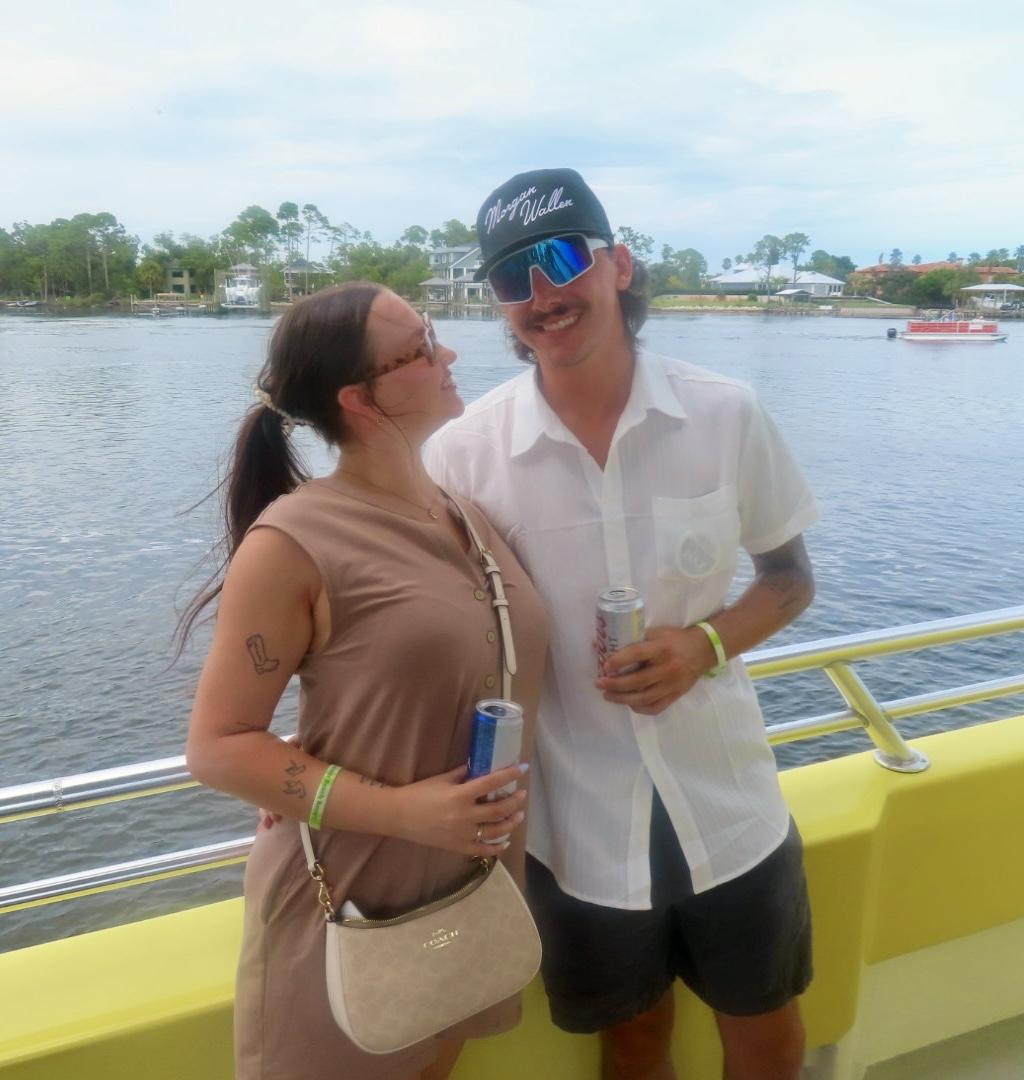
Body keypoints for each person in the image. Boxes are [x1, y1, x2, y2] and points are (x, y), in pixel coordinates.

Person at [424, 169, 819, 1080]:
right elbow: (428, 633)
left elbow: (791, 578)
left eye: (564, 259)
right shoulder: (460, 457)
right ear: (499, 304)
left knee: (765, 1033)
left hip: (729, 803)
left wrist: (705, 644)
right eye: (513, 277)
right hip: (576, 826)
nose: (543, 294)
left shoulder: (725, 413)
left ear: (620, 265)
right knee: (632, 1042)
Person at [182, 282, 548, 1080]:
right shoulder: (293, 541)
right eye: (421, 347)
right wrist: (402, 811)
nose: (448, 354)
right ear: (359, 398)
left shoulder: (463, 515)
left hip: (467, 896)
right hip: (345, 909)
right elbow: (217, 747)